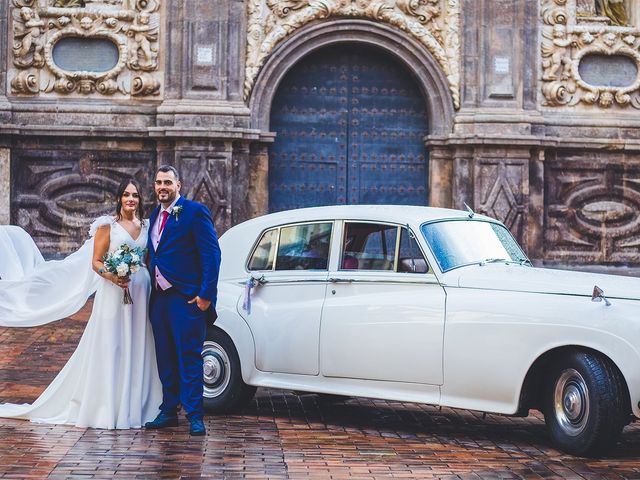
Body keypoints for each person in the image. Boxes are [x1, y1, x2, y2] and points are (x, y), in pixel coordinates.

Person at [0, 179, 162, 428]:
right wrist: (112, 275)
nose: (131, 199)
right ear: (119, 198)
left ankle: (136, 404)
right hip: (112, 292)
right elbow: (96, 262)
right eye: (127, 195)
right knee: (112, 344)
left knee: (138, 343)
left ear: (140, 199)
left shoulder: (147, 226)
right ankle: (107, 407)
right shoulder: (108, 227)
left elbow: (147, 259)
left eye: (136, 195)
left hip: (140, 293)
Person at [144, 165, 221, 436]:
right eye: (158, 182)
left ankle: (195, 416)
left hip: (186, 299)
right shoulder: (155, 215)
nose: (162, 186)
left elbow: (212, 255)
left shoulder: (194, 211)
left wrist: (205, 297)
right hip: (160, 300)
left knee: (189, 357)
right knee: (165, 357)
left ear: (179, 185)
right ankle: (168, 411)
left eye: (167, 182)